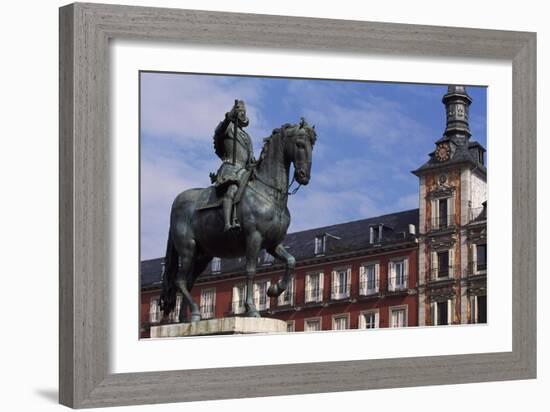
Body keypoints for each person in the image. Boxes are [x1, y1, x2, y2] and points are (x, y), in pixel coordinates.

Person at [211, 100, 255, 231]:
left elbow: (250, 158)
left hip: (244, 170)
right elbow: (219, 132)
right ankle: (227, 223)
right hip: (230, 167)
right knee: (232, 189)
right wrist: (229, 116)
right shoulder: (228, 127)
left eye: (244, 112)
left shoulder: (247, 137)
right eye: (240, 111)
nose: (242, 114)